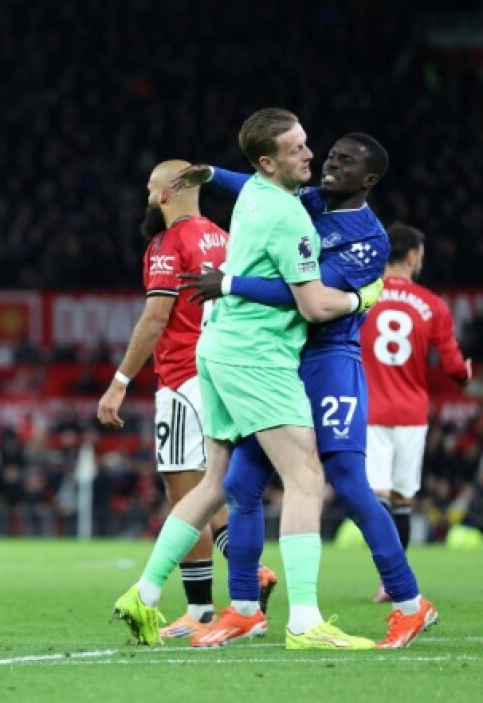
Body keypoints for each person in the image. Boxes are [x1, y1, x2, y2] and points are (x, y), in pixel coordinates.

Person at [111, 107, 378, 650]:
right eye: (297, 148)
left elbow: (237, 180)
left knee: (216, 483)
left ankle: (144, 591)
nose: (310, 153)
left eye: (307, 143)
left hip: (216, 349)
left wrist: (210, 173)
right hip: (257, 356)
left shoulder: (255, 192)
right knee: (306, 477)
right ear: (268, 161)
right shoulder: (290, 219)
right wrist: (364, 297)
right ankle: (305, 621)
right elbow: (312, 306)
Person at [178, 134, 438, 649]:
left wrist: (231, 283)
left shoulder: (370, 240)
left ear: (367, 180)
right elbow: (258, 185)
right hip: (283, 359)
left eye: (344, 162)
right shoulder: (311, 200)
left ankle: (411, 604)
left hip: (331, 362)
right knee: (241, 483)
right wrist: (211, 175)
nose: (329, 164)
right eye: (331, 155)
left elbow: (308, 297)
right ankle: (246, 608)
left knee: (348, 482)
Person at [96, 159, 276, 640]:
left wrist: (119, 379)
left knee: (183, 494)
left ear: (164, 193)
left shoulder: (168, 243)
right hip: (226, 374)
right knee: (212, 488)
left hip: (183, 377)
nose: (147, 196)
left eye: (149, 187)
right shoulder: (223, 235)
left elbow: (156, 318)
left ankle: (208, 602)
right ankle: (236, 585)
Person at [362, 223, 472, 600]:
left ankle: (387, 575)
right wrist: (466, 373)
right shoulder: (433, 305)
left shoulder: (361, 297)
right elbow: (456, 370)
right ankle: (393, 582)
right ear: (411, 257)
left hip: (370, 409)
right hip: (411, 413)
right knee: (403, 500)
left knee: (375, 497)